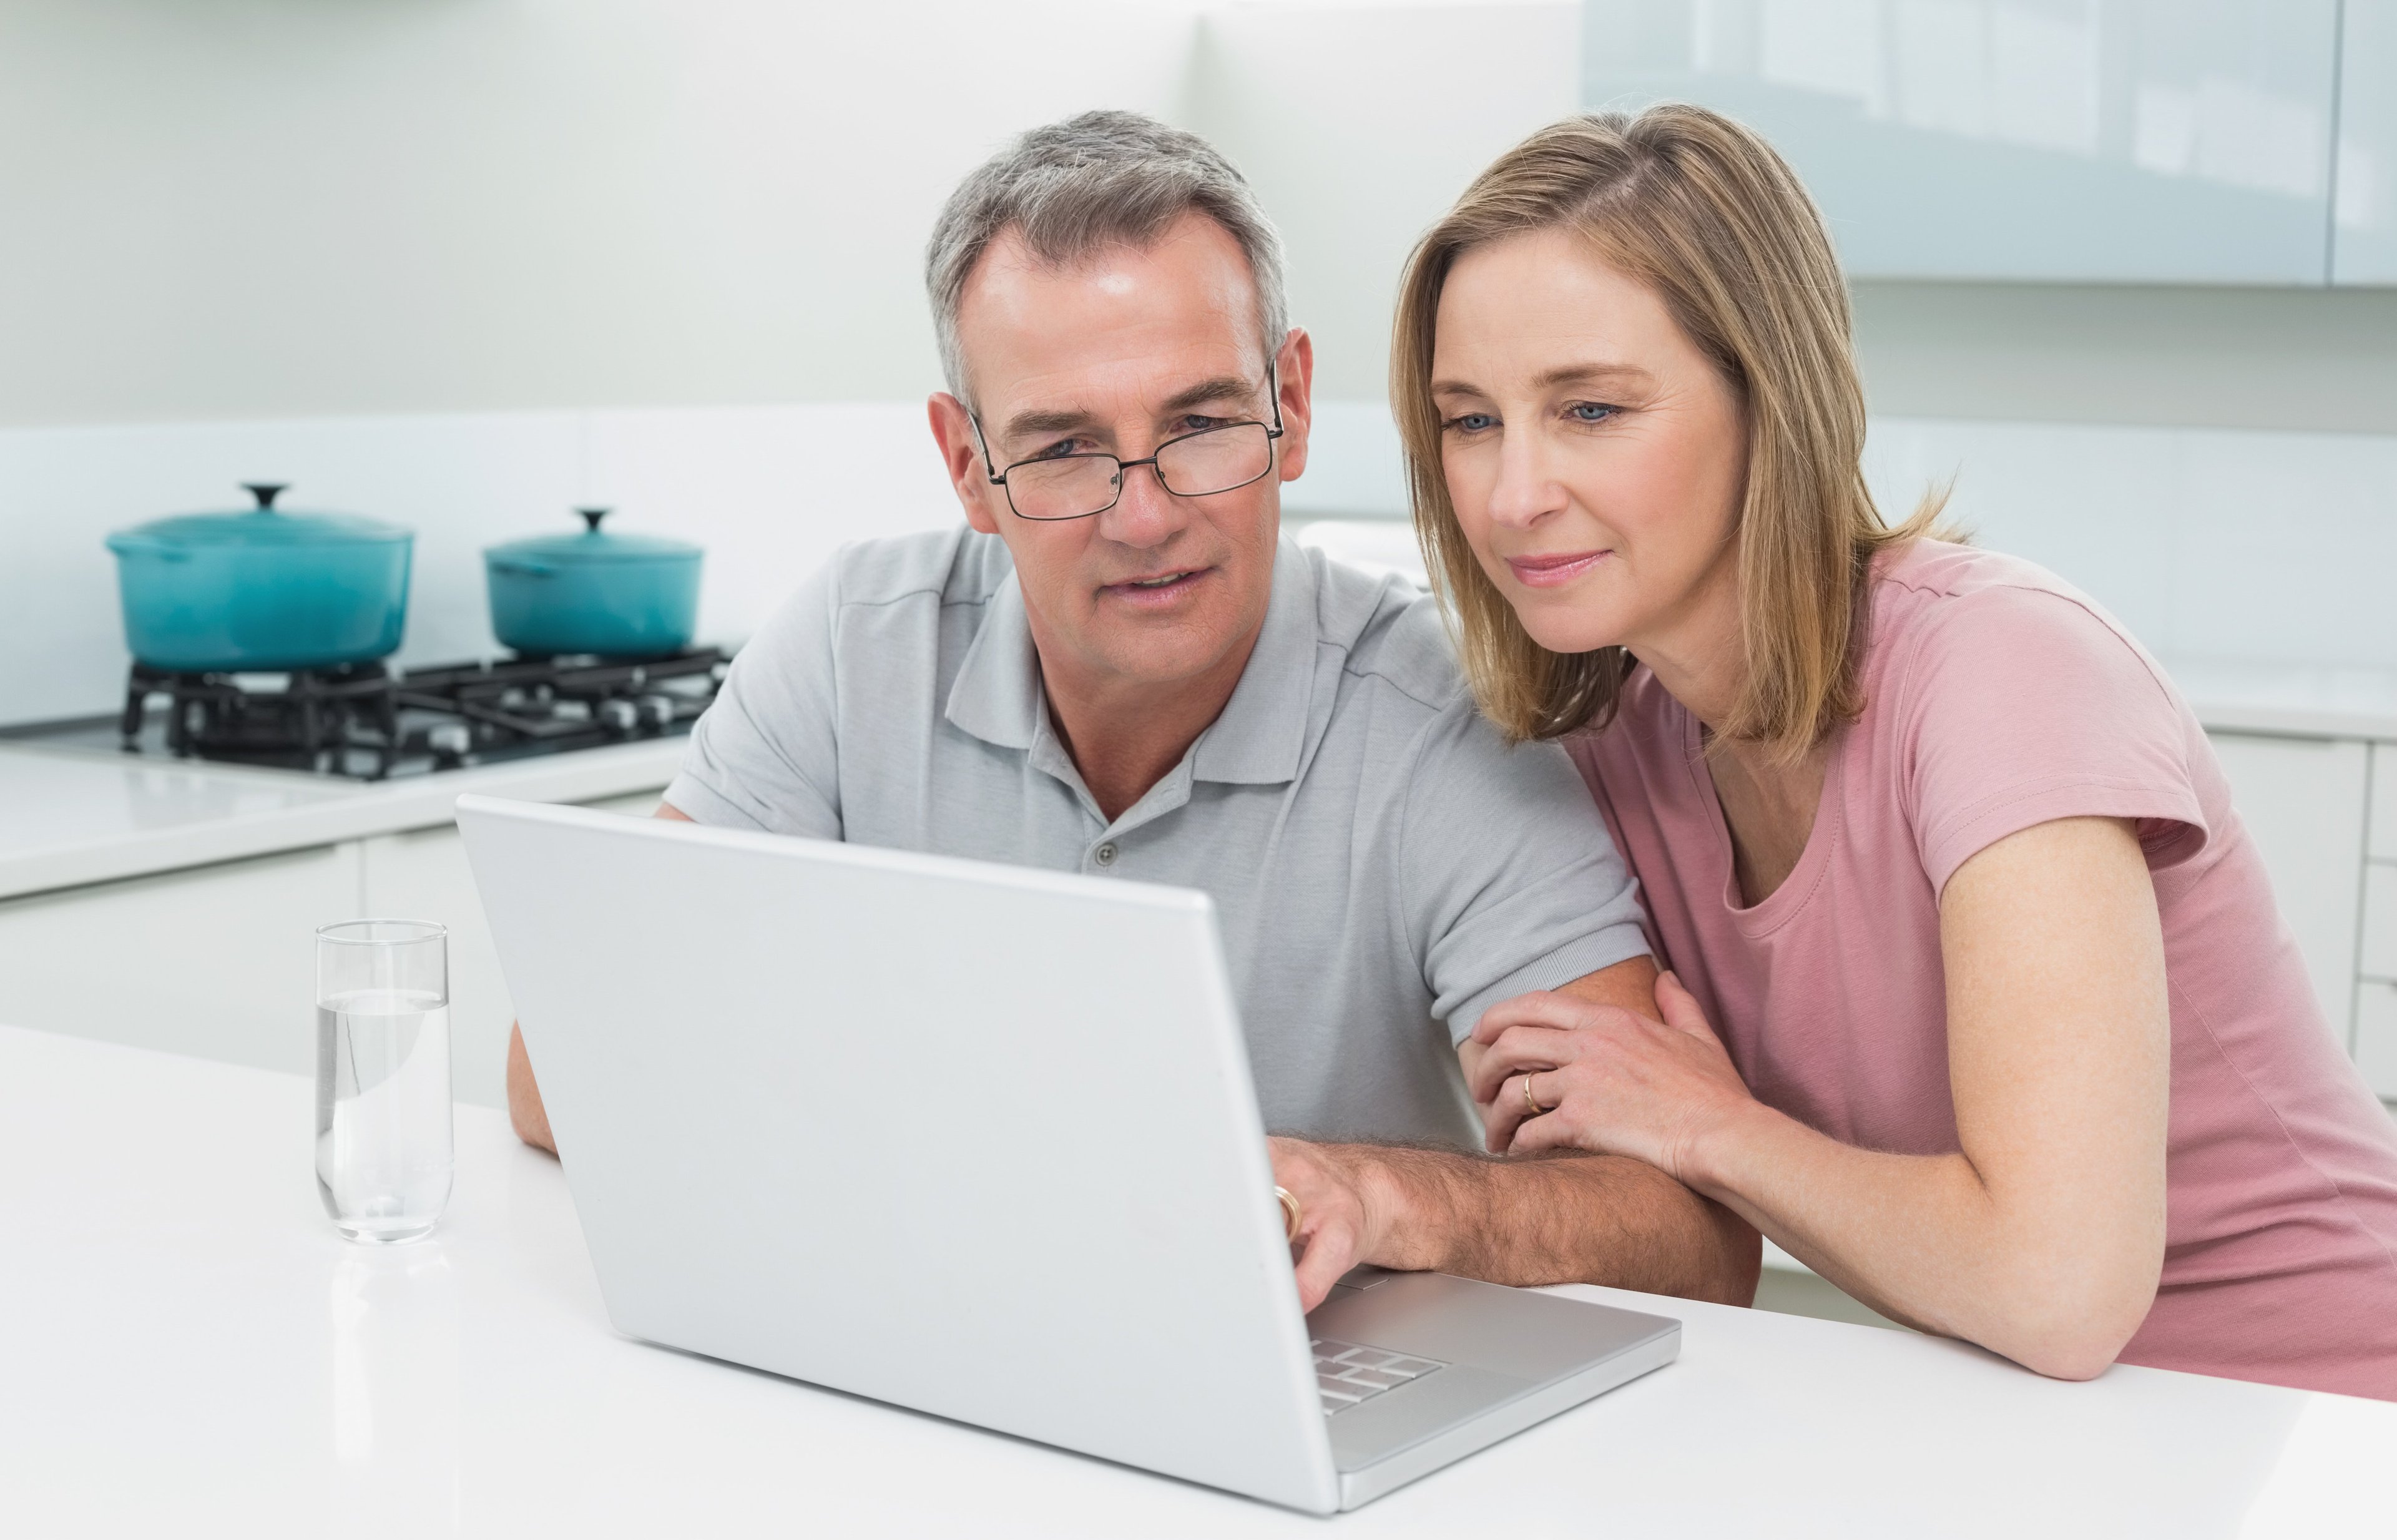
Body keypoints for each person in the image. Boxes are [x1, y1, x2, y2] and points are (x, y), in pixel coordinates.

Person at [505, 110, 1757, 1313]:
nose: (1144, 515)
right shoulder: (853, 646)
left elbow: (1691, 1237)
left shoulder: (1447, 728)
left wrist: (1382, 1193)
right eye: (1060, 450)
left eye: (1203, 424)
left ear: (1294, 405)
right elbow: (555, 1066)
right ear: (966, 467)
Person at [1391, 104, 2397, 1398]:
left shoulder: (2002, 672)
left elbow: (2059, 1287)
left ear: (1772, 398)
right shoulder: (1616, 757)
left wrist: (1710, 1125)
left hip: (2332, 1432)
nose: (1513, 491)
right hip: (2033, 1430)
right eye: (1470, 420)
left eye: (1590, 408)